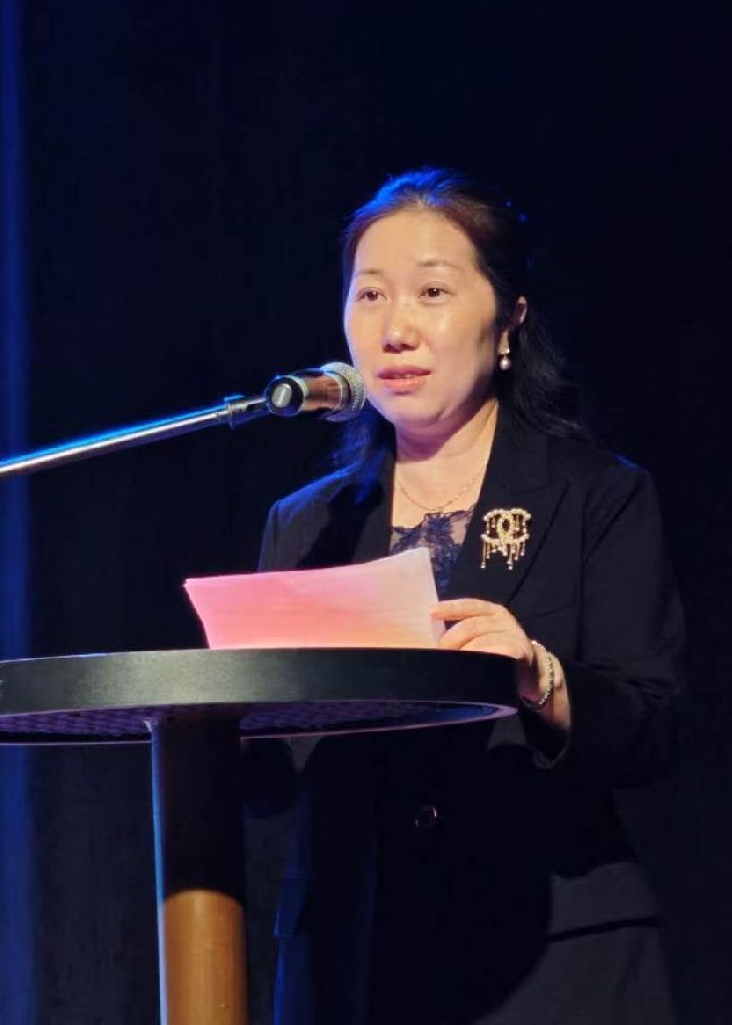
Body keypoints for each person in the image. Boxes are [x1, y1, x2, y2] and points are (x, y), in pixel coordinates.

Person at [249, 168, 685, 1023]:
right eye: (370, 294)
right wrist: (217, 716)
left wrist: (541, 679)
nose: (396, 328)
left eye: (433, 292)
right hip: (353, 960)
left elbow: (653, 728)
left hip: (550, 959)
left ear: (509, 320)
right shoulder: (308, 527)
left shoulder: (596, 495)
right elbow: (267, 785)